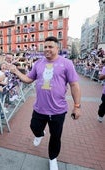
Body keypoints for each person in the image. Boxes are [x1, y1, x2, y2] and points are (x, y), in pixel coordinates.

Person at [9, 36, 81, 170]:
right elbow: (28, 79)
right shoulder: (38, 63)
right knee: (34, 126)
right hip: (40, 108)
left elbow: (74, 85)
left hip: (58, 110)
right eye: (45, 47)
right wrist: (16, 71)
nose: (47, 49)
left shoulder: (66, 63)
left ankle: (53, 159)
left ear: (57, 48)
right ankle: (39, 134)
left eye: (50, 47)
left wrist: (77, 106)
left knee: (55, 137)